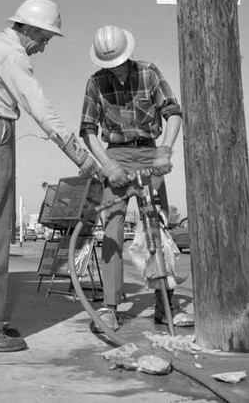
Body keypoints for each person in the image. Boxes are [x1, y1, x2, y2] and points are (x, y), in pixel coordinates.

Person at [0, 0, 97, 353]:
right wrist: (80, 155)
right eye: (44, 38)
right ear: (28, 27)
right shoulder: (10, 53)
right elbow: (38, 106)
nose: (44, 48)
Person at [79, 24, 193, 331]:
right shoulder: (96, 82)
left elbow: (173, 112)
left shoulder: (149, 73)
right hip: (115, 155)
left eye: (117, 63)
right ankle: (110, 306)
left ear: (128, 55)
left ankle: (165, 304)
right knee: (113, 229)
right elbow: (88, 130)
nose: (113, 70)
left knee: (156, 227)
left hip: (149, 152)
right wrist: (107, 166)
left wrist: (165, 151)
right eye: (108, 65)